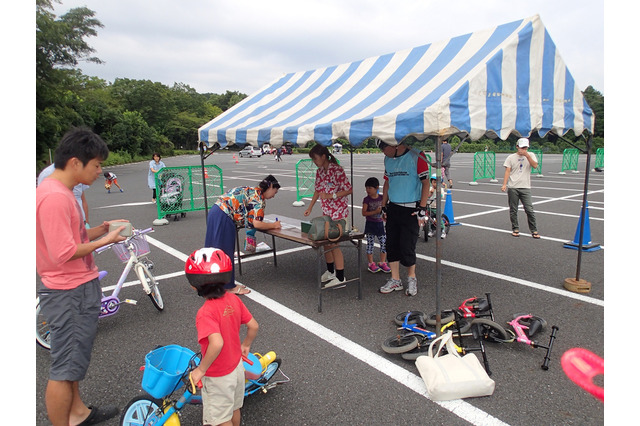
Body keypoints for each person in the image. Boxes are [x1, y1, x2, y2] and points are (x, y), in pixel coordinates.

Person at [36, 127, 129, 426]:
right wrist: (108, 240)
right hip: (68, 292)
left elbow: (71, 237)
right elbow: (64, 252)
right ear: (76, 162)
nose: (100, 171)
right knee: (64, 369)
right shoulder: (54, 197)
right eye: (97, 165)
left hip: (73, 287)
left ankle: (78, 413)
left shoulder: (59, 192)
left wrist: (100, 231)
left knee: (73, 363)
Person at [186, 248, 259, 426]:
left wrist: (201, 370)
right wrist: (246, 345)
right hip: (236, 369)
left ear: (194, 285)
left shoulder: (205, 312)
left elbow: (216, 343)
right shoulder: (234, 299)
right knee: (234, 408)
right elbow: (253, 326)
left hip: (218, 376)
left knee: (220, 419)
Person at [204, 175, 282, 295]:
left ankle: (211, 282)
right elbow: (257, 223)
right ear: (270, 186)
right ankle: (228, 286)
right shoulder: (258, 199)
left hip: (215, 211)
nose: (273, 196)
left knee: (213, 250)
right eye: (274, 192)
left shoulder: (250, 190)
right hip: (225, 216)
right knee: (225, 253)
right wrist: (274, 225)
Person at [377, 139, 430, 296]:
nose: (383, 153)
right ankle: (395, 280)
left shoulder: (417, 156)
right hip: (393, 207)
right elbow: (387, 183)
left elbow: (426, 183)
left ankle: (411, 279)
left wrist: (422, 207)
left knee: (407, 246)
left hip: (411, 208)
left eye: (383, 149)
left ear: (394, 145)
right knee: (391, 244)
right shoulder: (388, 159)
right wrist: (383, 205)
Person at [303, 144, 353, 288]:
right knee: (327, 242)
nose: (314, 161)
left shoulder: (337, 170)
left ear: (324, 156)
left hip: (339, 214)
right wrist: (310, 207)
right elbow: (318, 190)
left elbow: (349, 190)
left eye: (315, 158)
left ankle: (341, 277)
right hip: (327, 213)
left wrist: (332, 195)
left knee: (334, 243)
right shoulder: (320, 171)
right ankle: (331, 271)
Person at [501, 137, 540, 238]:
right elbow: (507, 171)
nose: (523, 150)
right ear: (517, 146)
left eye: (525, 148)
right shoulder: (511, 157)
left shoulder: (531, 155)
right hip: (513, 186)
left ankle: (534, 230)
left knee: (529, 209)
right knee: (513, 209)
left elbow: (535, 165)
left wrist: (527, 155)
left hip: (525, 186)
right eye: (521, 147)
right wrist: (504, 184)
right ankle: (515, 228)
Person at [38, 163, 90, 228]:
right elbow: (41, 200)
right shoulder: (47, 173)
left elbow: (83, 199)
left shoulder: (79, 170)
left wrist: (86, 222)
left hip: (81, 221)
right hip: (62, 222)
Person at [361, 177, 390, 273]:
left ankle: (382, 262)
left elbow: (384, 210)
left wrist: (384, 214)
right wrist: (374, 211)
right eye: (367, 188)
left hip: (380, 224)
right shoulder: (366, 200)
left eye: (370, 188)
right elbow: (364, 213)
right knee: (370, 244)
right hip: (370, 224)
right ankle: (371, 263)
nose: (368, 190)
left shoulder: (382, 198)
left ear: (377, 187)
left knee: (384, 243)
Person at [427, 174, 447, 239]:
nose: (434, 184)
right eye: (433, 182)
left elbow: (442, 196)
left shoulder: (440, 189)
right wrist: (431, 193)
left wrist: (438, 196)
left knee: (439, 219)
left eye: (436, 182)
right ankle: (432, 230)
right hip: (430, 207)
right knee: (430, 219)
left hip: (436, 207)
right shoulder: (430, 189)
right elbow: (428, 196)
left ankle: (443, 231)